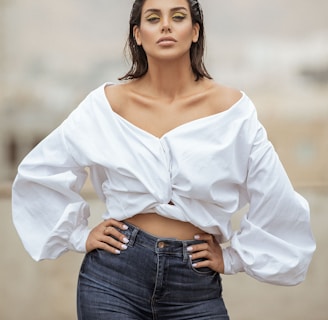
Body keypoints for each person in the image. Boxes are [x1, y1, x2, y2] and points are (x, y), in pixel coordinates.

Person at [12, 0, 316, 319]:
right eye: (154, 18)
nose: (166, 25)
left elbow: (275, 195)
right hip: (113, 278)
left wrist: (234, 258)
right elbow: (40, 172)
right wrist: (78, 235)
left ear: (195, 31)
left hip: (195, 288)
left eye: (178, 16)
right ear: (138, 35)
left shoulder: (234, 111)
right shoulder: (105, 106)